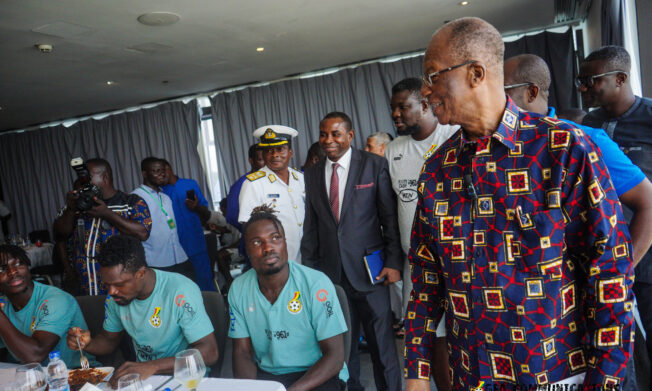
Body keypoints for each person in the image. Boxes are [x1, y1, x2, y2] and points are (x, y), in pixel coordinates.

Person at [406, 17, 634, 390]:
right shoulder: (437, 171)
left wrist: (605, 380)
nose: (426, 92)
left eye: (433, 76)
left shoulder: (564, 149)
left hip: (556, 373)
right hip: (475, 378)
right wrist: (415, 373)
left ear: (476, 73)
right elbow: (427, 283)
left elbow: (609, 276)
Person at [302, 112, 402, 391]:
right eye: (323, 134)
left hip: (372, 274)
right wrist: (311, 274)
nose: (328, 140)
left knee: (383, 349)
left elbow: (389, 219)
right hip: (331, 277)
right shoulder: (310, 174)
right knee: (343, 354)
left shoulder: (373, 165)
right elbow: (311, 227)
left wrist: (393, 262)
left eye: (335, 134)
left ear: (350, 135)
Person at [579, 45, 652, 385]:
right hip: (603, 258)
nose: (583, 88)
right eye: (580, 80)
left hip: (645, 258)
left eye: (590, 80)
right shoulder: (586, 125)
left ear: (620, 79)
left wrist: (629, 265)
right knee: (624, 356)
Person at [67, 234, 218, 388]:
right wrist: (88, 343)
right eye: (107, 285)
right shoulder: (115, 298)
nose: (112, 291)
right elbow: (108, 339)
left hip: (187, 379)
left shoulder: (180, 291)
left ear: (140, 273)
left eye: (119, 284)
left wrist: (153, 366)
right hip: (146, 378)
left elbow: (209, 351)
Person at [385, 77, 459, 390]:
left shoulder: (453, 136)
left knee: (463, 336)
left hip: (457, 262)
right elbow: (391, 210)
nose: (396, 114)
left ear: (425, 105)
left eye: (404, 107)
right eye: (393, 108)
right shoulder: (393, 150)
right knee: (431, 337)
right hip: (415, 264)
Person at [229, 205, 349, 390]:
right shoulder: (239, 289)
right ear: (247, 250)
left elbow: (335, 357)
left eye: (275, 238)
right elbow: (242, 353)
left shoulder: (316, 284)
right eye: (256, 242)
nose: (268, 247)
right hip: (270, 376)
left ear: (285, 242)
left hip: (317, 374)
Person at [53, 158, 151, 295]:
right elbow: (60, 235)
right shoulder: (78, 205)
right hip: (83, 286)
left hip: (122, 288)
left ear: (105, 177)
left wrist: (107, 214)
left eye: (88, 177)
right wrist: (70, 209)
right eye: (82, 178)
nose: (83, 182)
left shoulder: (131, 202)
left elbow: (143, 233)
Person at [0, 245, 97, 368]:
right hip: (29, 379)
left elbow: (35, 355)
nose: (13, 272)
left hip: (77, 376)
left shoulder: (56, 300)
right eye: (2, 270)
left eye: (19, 264)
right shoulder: (4, 305)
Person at [239, 125, 305, 264]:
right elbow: (249, 228)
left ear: (291, 152)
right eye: (269, 150)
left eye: (280, 149)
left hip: (307, 258)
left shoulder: (301, 179)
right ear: (263, 154)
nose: (275, 155)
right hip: (276, 261)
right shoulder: (253, 184)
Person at [132, 158, 194, 280]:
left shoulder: (165, 197)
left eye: (163, 171)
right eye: (157, 171)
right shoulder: (135, 197)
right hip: (156, 262)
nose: (162, 174)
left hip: (179, 256)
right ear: (145, 174)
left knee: (189, 289)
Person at [161, 160, 215, 291]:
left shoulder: (190, 184)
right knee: (183, 286)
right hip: (175, 247)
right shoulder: (160, 192)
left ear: (168, 168)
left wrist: (196, 207)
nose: (159, 176)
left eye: (161, 172)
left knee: (204, 280)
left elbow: (206, 212)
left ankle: (211, 309)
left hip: (195, 241)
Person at [226, 144, 265, 231]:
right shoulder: (242, 183)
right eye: (261, 160)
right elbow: (231, 216)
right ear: (251, 161)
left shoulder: (270, 180)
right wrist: (253, 231)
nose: (266, 163)